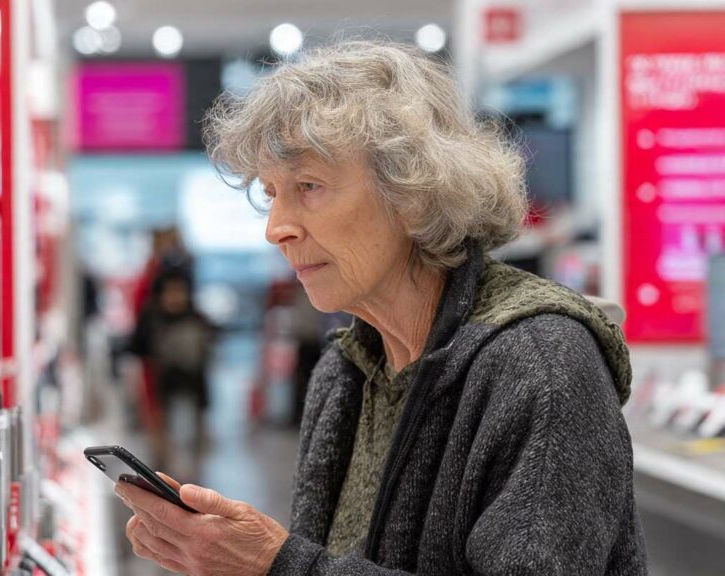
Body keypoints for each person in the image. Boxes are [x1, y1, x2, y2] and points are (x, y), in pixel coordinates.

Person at [113, 40, 648, 576]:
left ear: (412, 192)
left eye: (310, 186)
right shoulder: (345, 371)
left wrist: (280, 567)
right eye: (272, 192)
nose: (277, 228)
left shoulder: (541, 367)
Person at [129, 268, 215, 472]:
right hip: (161, 381)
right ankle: (160, 468)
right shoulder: (151, 317)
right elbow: (137, 349)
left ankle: (192, 469)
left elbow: (207, 349)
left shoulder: (196, 317)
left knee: (194, 429)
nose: (175, 297)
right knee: (160, 427)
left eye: (180, 291)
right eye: (171, 291)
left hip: (192, 379)